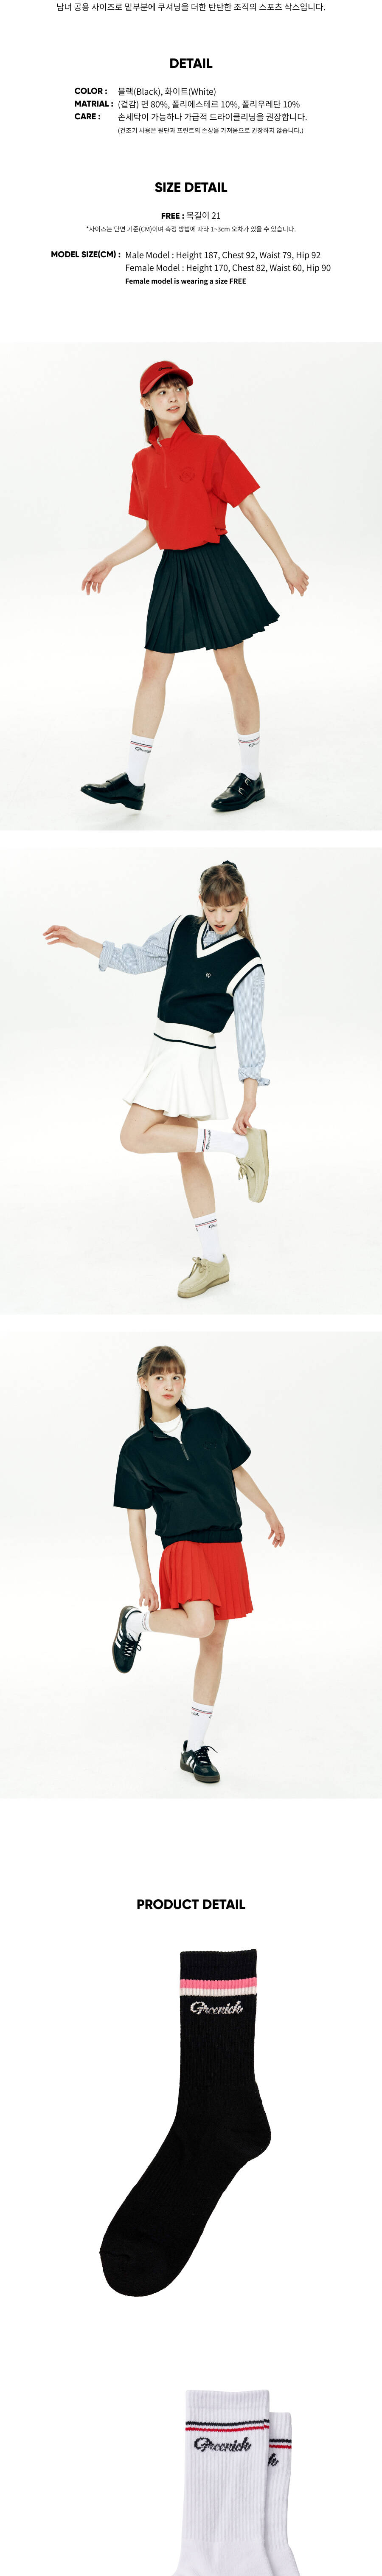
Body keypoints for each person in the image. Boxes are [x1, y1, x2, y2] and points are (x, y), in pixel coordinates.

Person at [80, 360, 308, 816]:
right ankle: (134, 781)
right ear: (146, 403)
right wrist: (111, 561)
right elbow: (156, 529)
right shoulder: (143, 461)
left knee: (232, 668)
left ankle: (251, 777)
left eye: (179, 389)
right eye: (162, 391)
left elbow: (251, 508)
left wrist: (286, 561)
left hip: (215, 564)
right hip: (174, 569)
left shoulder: (211, 448)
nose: (173, 397)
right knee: (153, 670)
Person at [44, 858, 270, 1298]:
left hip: (190, 1055)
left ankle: (241, 1146)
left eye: (229, 909)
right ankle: (215, 1260)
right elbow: (135, 958)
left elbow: (250, 1034)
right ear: (201, 902)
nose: (220, 917)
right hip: (163, 1048)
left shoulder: (248, 962)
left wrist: (250, 1098)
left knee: (132, 1136)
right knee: (189, 1157)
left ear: (244, 904)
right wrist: (81, 941)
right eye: (212, 908)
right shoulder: (182, 929)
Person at [112, 1343, 285, 1785]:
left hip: (226, 1541)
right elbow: (136, 1519)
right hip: (184, 1544)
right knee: (201, 1624)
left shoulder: (209, 1422)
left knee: (214, 1642)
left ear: (184, 1381)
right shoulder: (136, 1449)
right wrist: (145, 1578)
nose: (169, 1385)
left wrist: (268, 1510)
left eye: (176, 1376)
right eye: (160, 1377)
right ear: (144, 1382)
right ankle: (136, 1622)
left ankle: (194, 1747)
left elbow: (237, 1471)